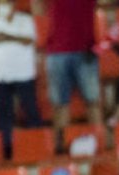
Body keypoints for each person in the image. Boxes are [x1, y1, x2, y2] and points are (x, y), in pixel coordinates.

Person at [38, 0, 103, 152]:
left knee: (93, 101)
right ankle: (61, 146)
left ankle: (99, 141)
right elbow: (38, 8)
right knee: (60, 104)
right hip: (57, 52)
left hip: (85, 50)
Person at [0, 0, 42, 160]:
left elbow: (30, 40)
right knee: (4, 113)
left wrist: (6, 36)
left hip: (23, 73)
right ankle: (6, 150)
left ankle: (36, 145)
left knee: (31, 110)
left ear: (13, 5)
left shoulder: (25, 20)